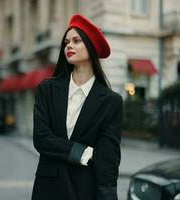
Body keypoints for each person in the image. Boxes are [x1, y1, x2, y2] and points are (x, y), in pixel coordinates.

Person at [32, 14, 123, 200]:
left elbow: (108, 159)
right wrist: (82, 152)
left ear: (91, 46)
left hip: (84, 190)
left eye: (76, 41)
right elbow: (41, 138)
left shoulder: (110, 101)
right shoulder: (47, 89)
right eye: (66, 42)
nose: (69, 46)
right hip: (47, 189)